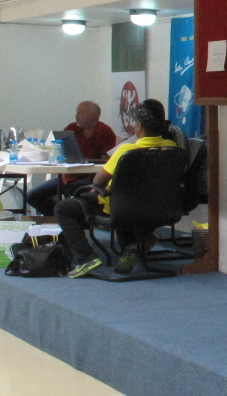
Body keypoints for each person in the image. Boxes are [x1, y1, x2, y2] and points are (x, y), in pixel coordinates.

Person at [57, 101, 180, 278]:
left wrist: (94, 191)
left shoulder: (127, 150)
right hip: (158, 206)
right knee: (124, 201)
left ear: (139, 126)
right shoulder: (172, 147)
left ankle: (86, 258)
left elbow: (99, 180)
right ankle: (132, 246)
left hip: (122, 206)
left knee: (64, 208)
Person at [26, 100, 116, 215]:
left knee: (74, 189)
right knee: (32, 196)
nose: (76, 116)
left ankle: (69, 215)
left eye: (81, 112)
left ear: (94, 115)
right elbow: (60, 150)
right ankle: (61, 217)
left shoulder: (105, 132)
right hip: (67, 176)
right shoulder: (72, 128)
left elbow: (106, 160)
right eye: (77, 112)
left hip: (89, 177)